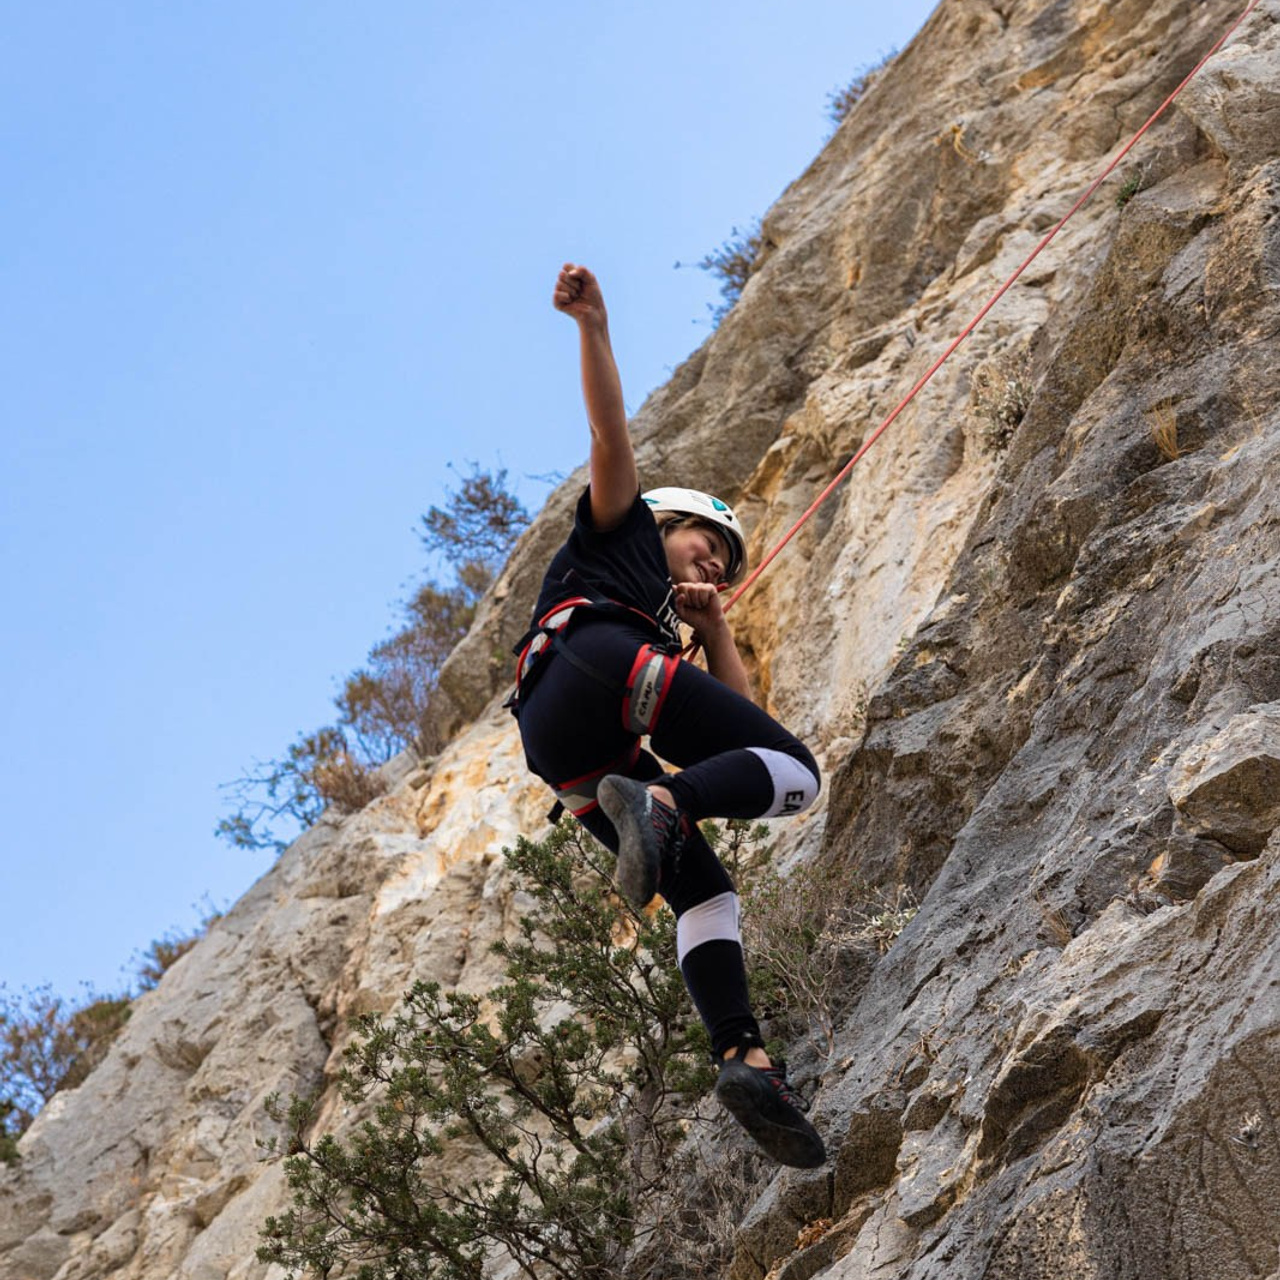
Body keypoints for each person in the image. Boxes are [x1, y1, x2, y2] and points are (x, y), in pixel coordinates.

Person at [510, 263, 826, 1168]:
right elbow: (611, 433)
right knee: (800, 776)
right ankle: (669, 803)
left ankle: (743, 1057)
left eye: (728, 559)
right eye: (707, 542)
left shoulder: (679, 617)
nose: (717, 561)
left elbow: (747, 723)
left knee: (705, 890)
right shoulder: (617, 535)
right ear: (663, 522)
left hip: (565, 747)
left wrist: (713, 626)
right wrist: (594, 327)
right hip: (600, 662)